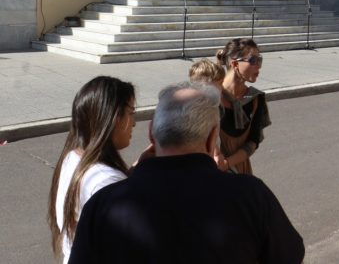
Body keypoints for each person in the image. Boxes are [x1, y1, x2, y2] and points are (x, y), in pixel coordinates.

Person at [68, 82, 304, 264]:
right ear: (213, 138)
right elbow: (289, 255)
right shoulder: (251, 195)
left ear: (152, 133)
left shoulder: (102, 205)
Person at [48, 76, 136, 264]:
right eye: (132, 112)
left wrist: (130, 177)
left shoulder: (72, 156)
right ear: (113, 118)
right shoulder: (106, 181)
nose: (135, 123)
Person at [216, 38, 271, 175]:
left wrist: (227, 163)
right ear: (235, 64)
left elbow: (253, 141)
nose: (259, 66)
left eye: (260, 60)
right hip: (211, 171)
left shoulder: (255, 99)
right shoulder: (211, 96)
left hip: (240, 172)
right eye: (253, 61)